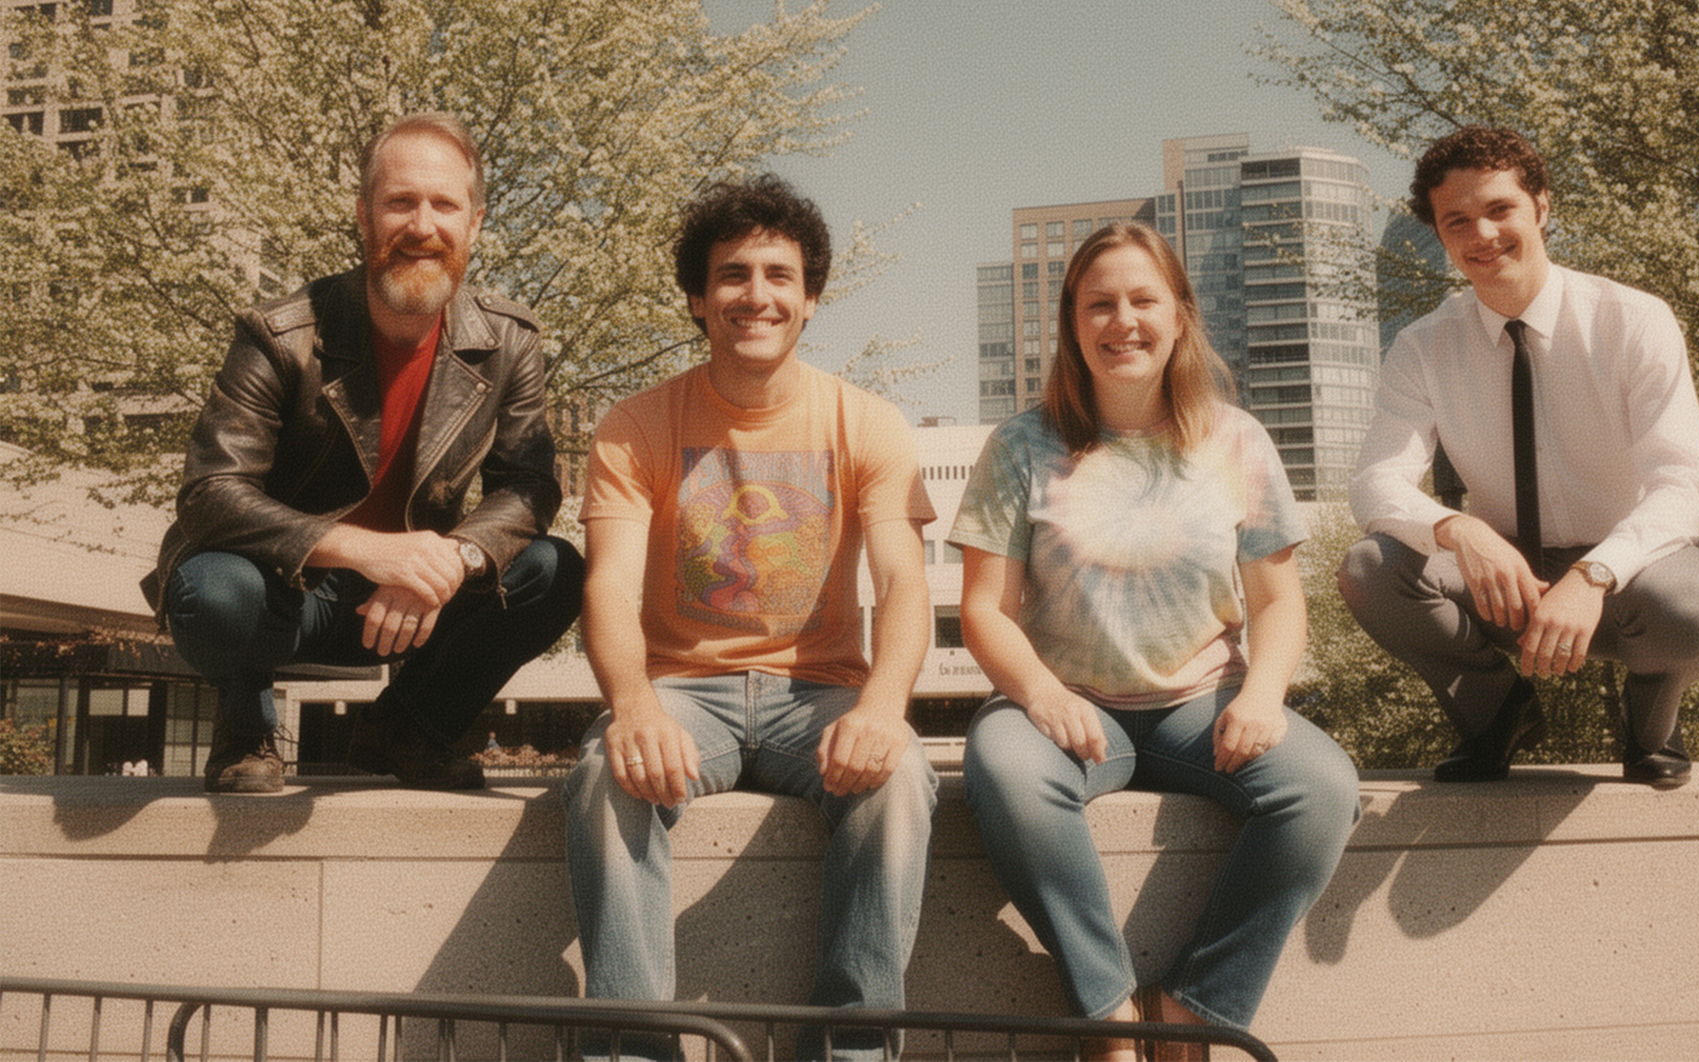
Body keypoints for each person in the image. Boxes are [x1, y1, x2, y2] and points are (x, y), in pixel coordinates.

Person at [950, 222, 1359, 1060]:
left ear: (1180, 316)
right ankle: (1106, 1013)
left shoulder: (1236, 439)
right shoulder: (1020, 445)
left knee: (1321, 790)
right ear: (1072, 322)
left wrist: (1262, 695)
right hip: (1063, 708)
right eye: (1099, 304)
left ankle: (1196, 1007)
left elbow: (1278, 601)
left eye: (1144, 300)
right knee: (1005, 774)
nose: (1122, 321)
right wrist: (1042, 696)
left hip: (1200, 705)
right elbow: (986, 609)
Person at [565, 175, 938, 1062]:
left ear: (811, 298)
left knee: (900, 779)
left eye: (780, 275)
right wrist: (634, 707)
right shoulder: (634, 426)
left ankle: (848, 1053)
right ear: (698, 297)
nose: (756, 295)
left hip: (823, 694)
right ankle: (632, 1052)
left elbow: (904, 583)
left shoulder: (869, 424)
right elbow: (609, 588)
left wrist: (883, 708)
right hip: (683, 690)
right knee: (604, 776)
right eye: (733, 275)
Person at [144, 112, 584, 794]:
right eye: (400, 202)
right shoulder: (280, 333)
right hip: (288, 597)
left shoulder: (510, 340)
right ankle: (246, 726)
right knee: (211, 592)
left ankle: (405, 732)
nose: (422, 225)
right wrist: (364, 549)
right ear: (363, 215)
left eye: (444, 204)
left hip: (416, 604)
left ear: (475, 222)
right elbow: (210, 492)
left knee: (555, 570)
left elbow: (528, 487)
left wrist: (452, 556)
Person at [1340, 126, 1699, 788]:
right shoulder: (1423, 346)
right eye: (1457, 220)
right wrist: (1458, 530)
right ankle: (1500, 713)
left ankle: (1652, 727)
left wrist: (1595, 572)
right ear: (1440, 234)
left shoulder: (1632, 320)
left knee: (1689, 608)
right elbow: (1377, 481)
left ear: (1542, 207)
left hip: (1629, 579)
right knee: (1370, 570)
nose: (1482, 235)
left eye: (1499, 210)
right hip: (1505, 582)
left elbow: (1683, 482)